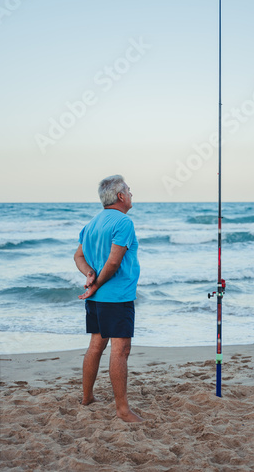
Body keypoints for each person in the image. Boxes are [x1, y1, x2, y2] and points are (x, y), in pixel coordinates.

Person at [74, 175, 143, 423]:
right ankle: (123, 410)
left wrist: (90, 275)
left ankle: (87, 397)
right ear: (121, 196)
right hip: (115, 297)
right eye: (129, 190)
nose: (131, 193)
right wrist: (96, 284)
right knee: (120, 350)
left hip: (98, 298)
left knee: (96, 345)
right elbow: (114, 262)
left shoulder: (92, 223)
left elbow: (78, 256)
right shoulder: (123, 222)